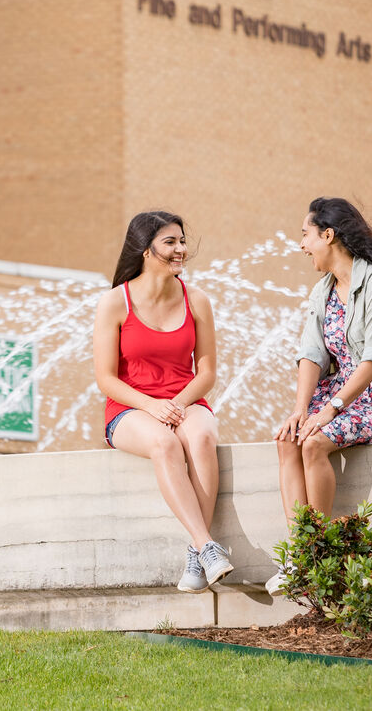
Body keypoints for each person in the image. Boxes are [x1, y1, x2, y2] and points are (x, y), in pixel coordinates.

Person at [268, 197, 372, 595]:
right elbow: (312, 353)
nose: (302, 245)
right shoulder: (323, 290)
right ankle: (297, 557)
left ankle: (317, 557)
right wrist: (300, 410)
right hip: (347, 392)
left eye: (306, 235)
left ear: (328, 235)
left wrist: (328, 412)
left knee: (314, 444)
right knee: (289, 438)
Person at [93, 211, 233, 593]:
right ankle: (207, 545)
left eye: (182, 241)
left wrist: (176, 403)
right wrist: (152, 407)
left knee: (202, 438)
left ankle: (196, 552)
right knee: (164, 442)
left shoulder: (197, 300)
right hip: (130, 409)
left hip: (186, 400)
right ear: (145, 249)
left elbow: (206, 373)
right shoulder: (114, 303)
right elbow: (106, 378)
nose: (181, 250)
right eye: (170, 242)